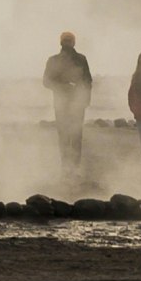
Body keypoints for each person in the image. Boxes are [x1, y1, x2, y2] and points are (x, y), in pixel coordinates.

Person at [43, 32, 93, 176]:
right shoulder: (53, 60)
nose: (67, 43)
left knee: (76, 134)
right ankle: (66, 165)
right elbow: (46, 81)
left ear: (73, 43)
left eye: (69, 40)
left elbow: (88, 81)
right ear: (61, 42)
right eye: (65, 40)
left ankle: (75, 166)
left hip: (78, 103)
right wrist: (63, 86)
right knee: (64, 135)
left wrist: (86, 98)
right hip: (61, 103)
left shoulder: (81, 59)